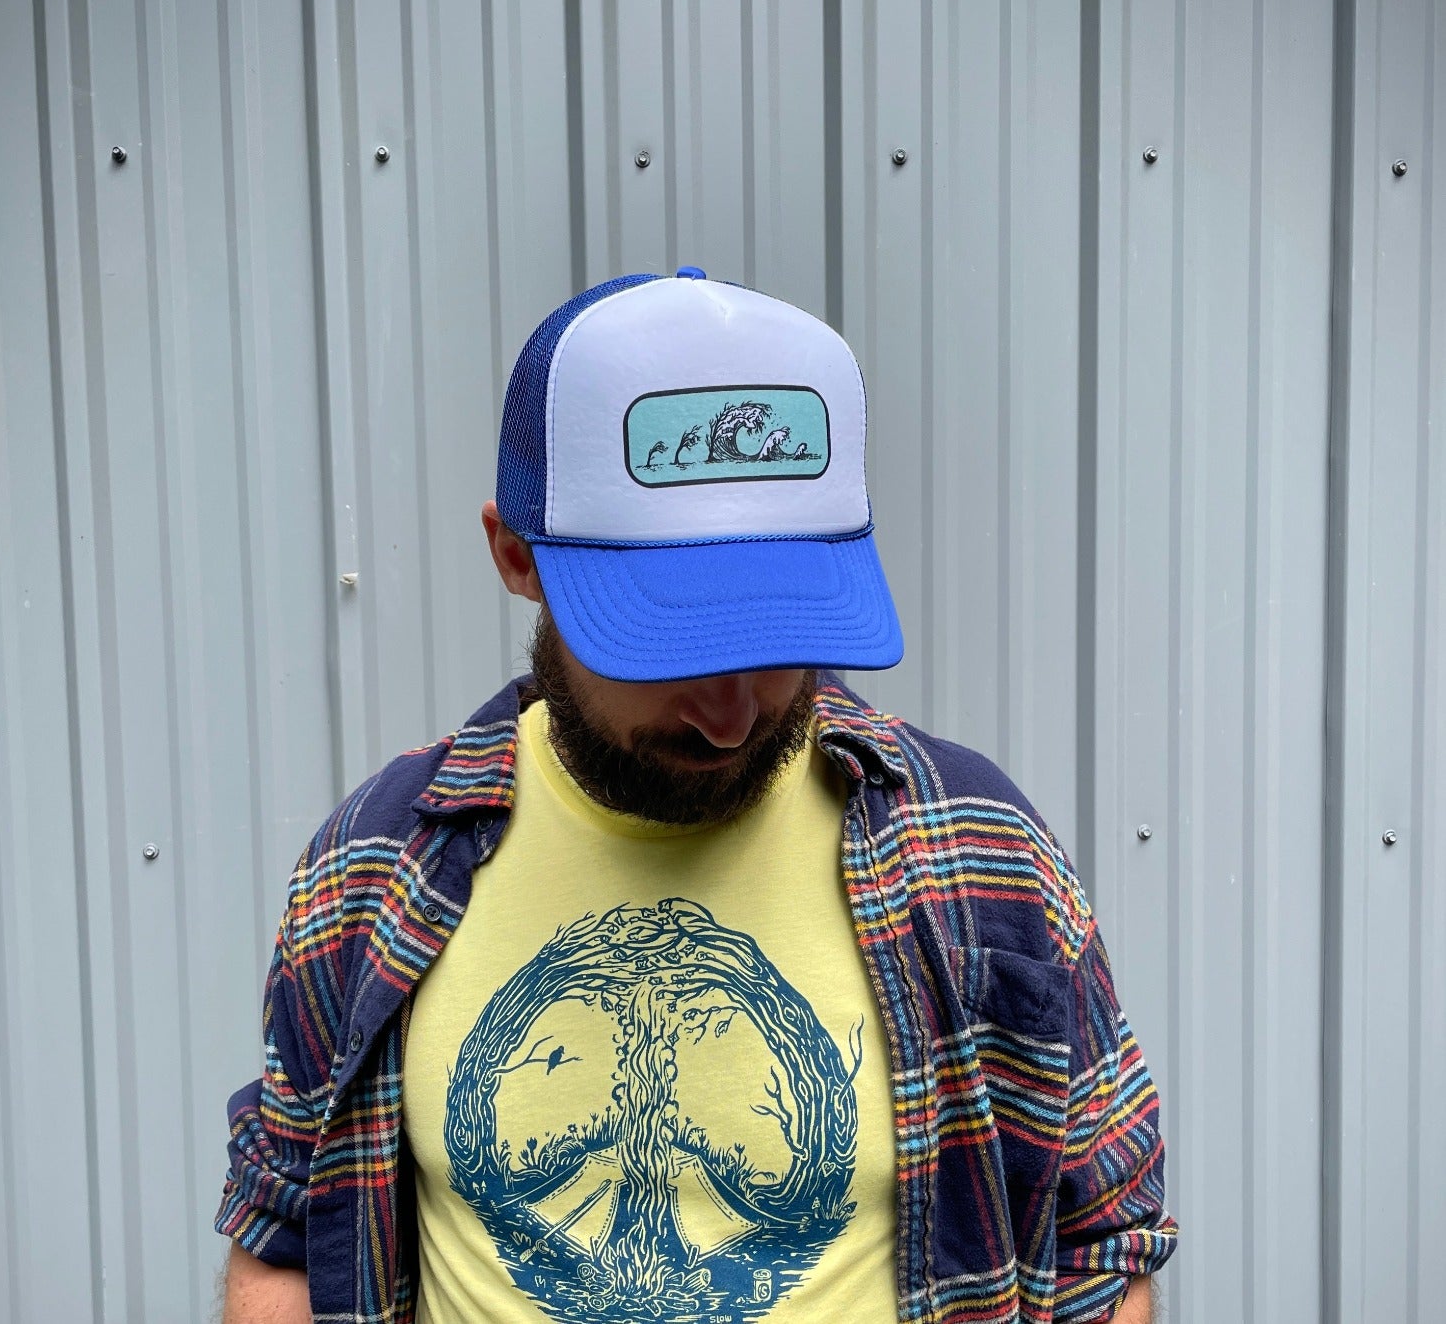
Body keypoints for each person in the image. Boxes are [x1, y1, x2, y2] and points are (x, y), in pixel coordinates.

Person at [216, 270, 1176, 1324]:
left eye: (774, 639)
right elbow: (288, 1239)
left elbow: (1099, 1245)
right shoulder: (371, 868)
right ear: (515, 557)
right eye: (669, 642)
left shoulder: (982, 851)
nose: (731, 715)